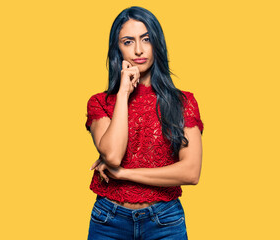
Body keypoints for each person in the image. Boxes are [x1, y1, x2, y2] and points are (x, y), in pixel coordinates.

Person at [85, 6, 204, 240]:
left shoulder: (183, 102)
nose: (138, 50)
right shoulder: (100, 102)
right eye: (128, 42)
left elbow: (191, 172)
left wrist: (123, 174)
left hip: (165, 220)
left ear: (156, 43)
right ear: (117, 49)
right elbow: (113, 156)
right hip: (109, 220)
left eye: (146, 39)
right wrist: (122, 94)